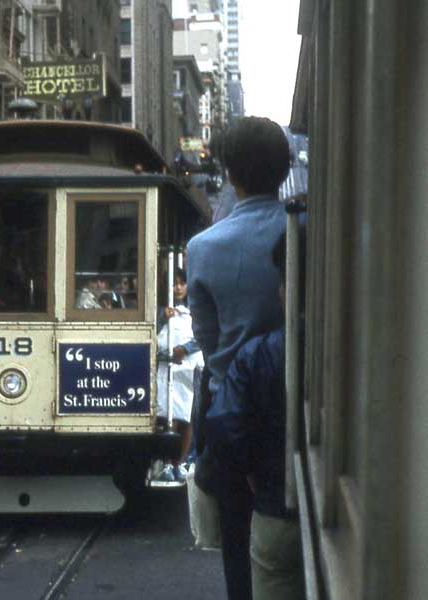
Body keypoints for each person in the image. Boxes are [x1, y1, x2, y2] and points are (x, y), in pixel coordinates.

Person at [186, 116, 291, 600]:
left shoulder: (203, 248)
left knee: (240, 554)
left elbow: (210, 347)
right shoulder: (306, 230)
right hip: (303, 404)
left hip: (235, 420)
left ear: (229, 174)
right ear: (284, 168)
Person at [205, 226, 307, 600]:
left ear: (285, 291)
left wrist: (250, 470)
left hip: (273, 509)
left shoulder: (257, 353)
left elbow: (223, 425)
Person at [154, 268, 204, 483]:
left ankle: (181, 462)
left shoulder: (196, 308)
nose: (178, 287)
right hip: (167, 366)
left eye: (182, 283)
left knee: (187, 416)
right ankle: (166, 462)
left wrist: (186, 348)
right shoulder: (160, 308)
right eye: (175, 283)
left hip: (189, 366)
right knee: (167, 415)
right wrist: (162, 318)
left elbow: (202, 334)